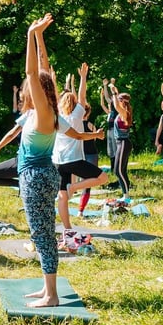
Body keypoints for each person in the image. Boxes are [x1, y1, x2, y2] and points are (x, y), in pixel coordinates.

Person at [19, 13, 62, 308]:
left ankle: (52, 295)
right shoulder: (46, 109)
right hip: (41, 175)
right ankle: (47, 289)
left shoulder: (45, 112)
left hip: (36, 177)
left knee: (42, 234)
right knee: (43, 232)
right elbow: (44, 70)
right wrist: (40, 37)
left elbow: (34, 74)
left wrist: (30, 35)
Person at [53, 64, 107, 247]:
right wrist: (84, 77)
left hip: (58, 162)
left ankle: (67, 228)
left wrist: (53, 79)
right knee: (102, 177)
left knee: (62, 197)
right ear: (73, 104)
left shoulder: (57, 117)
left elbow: (51, 97)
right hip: (74, 160)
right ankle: (75, 187)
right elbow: (82, 96)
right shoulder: (77, 115)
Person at [109, 83, 133, 201]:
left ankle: (126, 195)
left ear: (123, 102)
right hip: (122, 143)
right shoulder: (122, 113)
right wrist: (115, 92)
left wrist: (114, 92)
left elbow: (116, 105)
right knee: (121, 170)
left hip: (123, 143)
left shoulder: (124, 113)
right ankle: (126, 193)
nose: (117, 102)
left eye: (119, 100)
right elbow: (116, 103)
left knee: (118, 171)